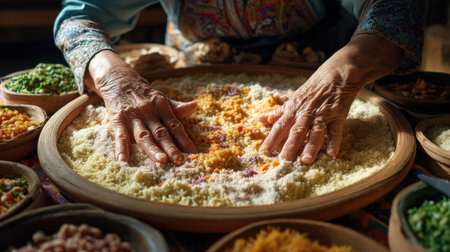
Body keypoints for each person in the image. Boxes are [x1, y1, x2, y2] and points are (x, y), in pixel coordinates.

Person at [54, 0, 424, 165]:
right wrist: (116, 80)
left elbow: (395, 8)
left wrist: (343, 72)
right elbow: (78, 18)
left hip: (317, 72)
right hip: (196, 70)